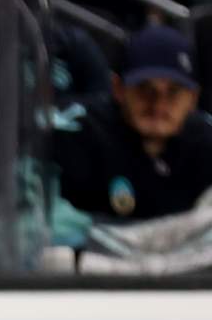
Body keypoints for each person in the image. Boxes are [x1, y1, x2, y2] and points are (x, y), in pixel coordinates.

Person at [54, 24, 212, 221]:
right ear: (118, 89)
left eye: (173, 92)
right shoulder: (76, 131)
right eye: (144, 89)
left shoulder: (205, 139)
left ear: (193, 99)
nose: (158, 104)